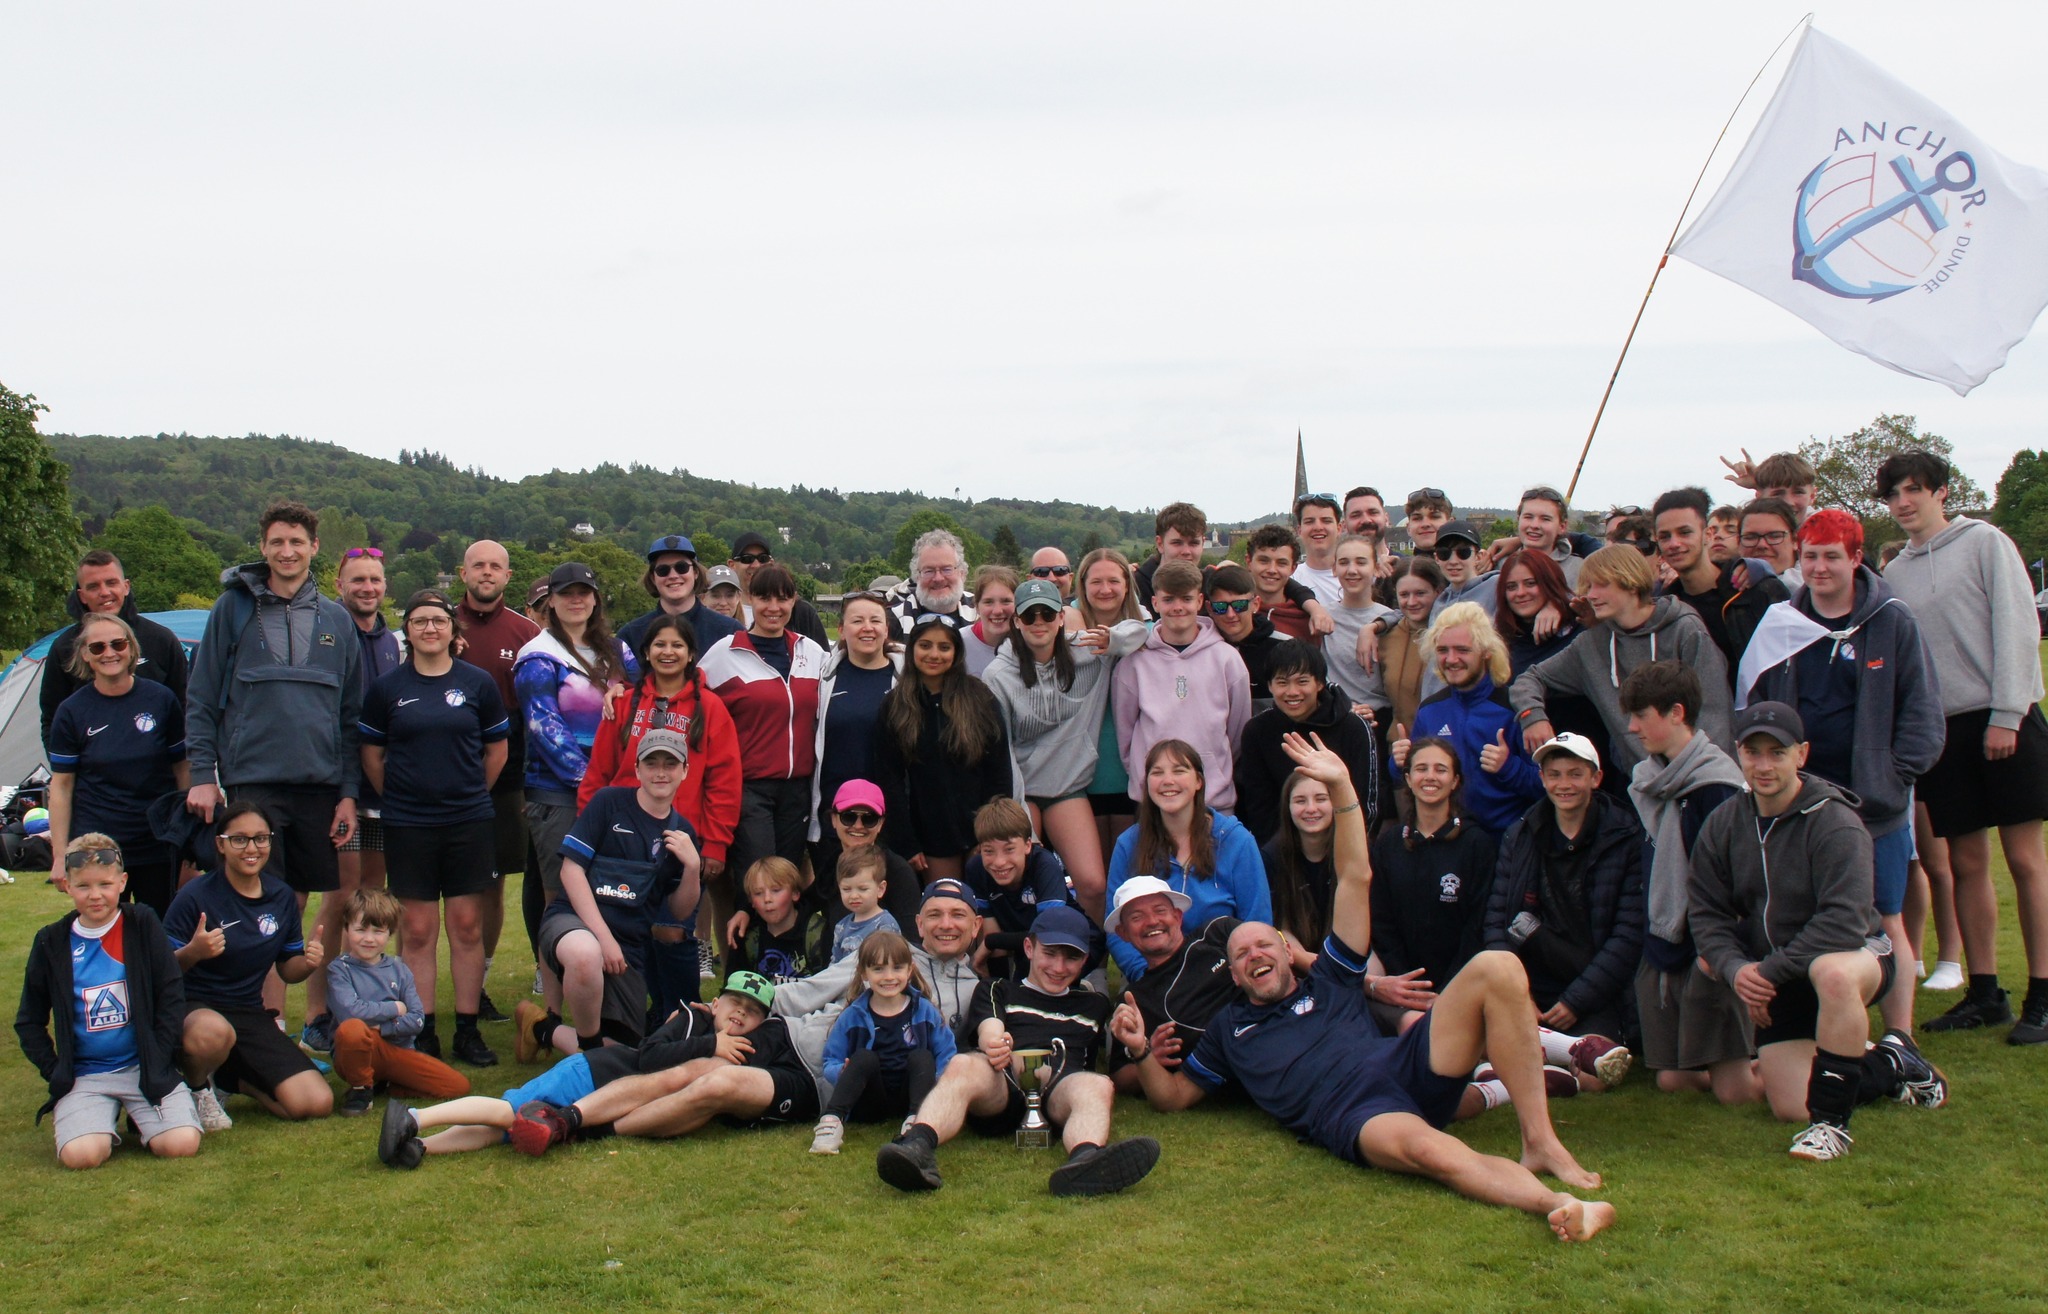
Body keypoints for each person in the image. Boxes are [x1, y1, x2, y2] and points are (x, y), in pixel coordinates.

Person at [1113, 734, 1615, 1242]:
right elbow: (1173, 1097)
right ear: (1235, 976)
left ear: (1288, 951)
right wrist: (1140, 1051)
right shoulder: (1230, 1029)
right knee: (1431, 1152)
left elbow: (1355, 876)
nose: (1254, 955)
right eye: (1241, 956)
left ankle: (1540, 1140)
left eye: (1263, 945)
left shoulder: (1331, 975)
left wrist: (1342, 788)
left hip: (1406, 1066)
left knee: (1499, 965)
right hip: (1353, 1111)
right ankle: (1561, 1204)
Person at [1688, 702, 1947, 1160]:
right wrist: (1737, 971)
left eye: (1777, 752)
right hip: (1779, 973)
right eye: (1753, 752)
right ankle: (1892, 1063)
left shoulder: (1835, 821)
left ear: (1801, 754)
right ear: (1738, 753)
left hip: (1857, 955)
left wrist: (1767, 972)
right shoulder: (1725, 823)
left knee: (1833, 973)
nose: (1764, 765)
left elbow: (1843, 922)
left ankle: (1830, 1127)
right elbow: (1706, 913)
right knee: (1790, 1105)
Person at [1745, 509, 1944, 1035]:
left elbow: (1923, 712)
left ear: (1856, 558)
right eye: (1810, 556)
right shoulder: (1783, 623)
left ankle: (1900, 1038)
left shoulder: (1893, 620)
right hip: (1802, 803)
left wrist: (1892, 777)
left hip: (1874, 807)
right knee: (1807, 917)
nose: (1819, 568)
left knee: (1886, 917)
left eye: (1832, 556)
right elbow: (1755, 701)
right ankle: (1814, 1028)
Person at [1878, 451, 2048, 1045]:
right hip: (1944, 732)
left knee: (2025, 861)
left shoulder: (1985, 543)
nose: (1904, 503)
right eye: (1894, 494)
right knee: (1967, 864)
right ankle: (1985, 992)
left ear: (1941, 492)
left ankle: (2043, 994)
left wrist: (2007, 714)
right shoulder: (1895, 573)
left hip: (2005, 720)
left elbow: (2018, 628)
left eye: (1914, 490)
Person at [183, 502, 362, 1016]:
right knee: (255, 903)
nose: (287, 551)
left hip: (317, 785)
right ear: (263, 547)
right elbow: (201, 698)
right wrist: (202, 775)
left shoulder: (337, 620)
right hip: (252, 782)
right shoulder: (232, 609)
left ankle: (291, 1021)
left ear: (314, 548)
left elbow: (350, 716)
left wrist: (348, 794)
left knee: (295, 904)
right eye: (277, 542)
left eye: (297, 542)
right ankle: (263, 1023)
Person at [875, 904, 1160, 1197]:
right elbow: (990, 1028)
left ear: (1085, 960)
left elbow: (1120, 1059)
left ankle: (1086, 1160)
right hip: (1003, 1085)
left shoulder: (1095, 1004)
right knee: (964, 1064)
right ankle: (917, 1145)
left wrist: (1136, 1040)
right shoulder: (998, 989)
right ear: (1029, 948)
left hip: (1062, 1094)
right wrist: (995, 1043)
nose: (1059, 967)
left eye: (1071, 958)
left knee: (1099, 1084)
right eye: (1050, 953)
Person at [378, 972, 781, 1166]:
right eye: (735, 1003)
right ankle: (413, 1117)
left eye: (752, 1012)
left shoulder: (740, 1053)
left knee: (504, 1132)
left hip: (604, 1098)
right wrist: (710, 1043)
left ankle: (420, 1146)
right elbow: (648, 1057)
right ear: (716, 1003)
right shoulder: (692, 1020)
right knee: (510, 1111)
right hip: (591, 1073)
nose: (740, 1014)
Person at [359, 589, 512, 1067]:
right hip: (409, 824)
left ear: (452, 629)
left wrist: (470, 793)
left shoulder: (477, 683)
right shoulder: (387, 687)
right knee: (418, 930)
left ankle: (467, 1029)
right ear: (407, 630)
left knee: (466, 926)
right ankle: (422, 1030)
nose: (430, 628)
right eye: (420, 620)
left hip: (468, 821)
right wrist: (402, 797)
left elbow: (497, 751)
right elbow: (372, 756)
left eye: (439, 620)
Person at [580, 611, 743, 995]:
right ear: (646, 652)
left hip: (681, 839)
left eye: (677, 645)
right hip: (623, 840)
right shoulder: (623, 704)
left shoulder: (709, 707)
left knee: (672, 930)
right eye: (659, 645)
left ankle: (679, 1012)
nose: (668, 652)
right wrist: (590, 832)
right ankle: (632, 1013)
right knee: (626, 931)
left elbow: (724, 781)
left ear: (691, 654)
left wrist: (716, 844)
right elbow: (599, 773)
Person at [514, 730, 703, 1061]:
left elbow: (679, 911)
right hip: (572, 923)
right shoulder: (608, 802)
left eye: (670, 764)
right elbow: (570, 871)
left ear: (685, 771)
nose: (661, 772)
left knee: (628, 1058)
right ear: (637, 768)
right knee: (585, 954)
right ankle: (589, 1058)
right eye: (652, 763)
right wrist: (603, 939)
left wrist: (692, 867)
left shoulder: (682, 831)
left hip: (628, 950)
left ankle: (540, 1028)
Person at [16, 834, 202, 1169]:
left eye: (105, 884)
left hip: (143, 1067)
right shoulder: (51, 941)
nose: (96, 895)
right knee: (82, 1156)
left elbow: (171, 994)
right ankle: (96, 1114)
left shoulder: (142, 923)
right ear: (67, 886)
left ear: (122, 882)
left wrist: (159, 1057)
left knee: (181, 1144)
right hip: (86, 1075)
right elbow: (28, 1020)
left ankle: (141, 1116)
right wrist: (56, 1071)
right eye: (83, 886)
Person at [1616, 662, 1755, 1102]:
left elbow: (1736, 884)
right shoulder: (1649, 780)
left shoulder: (1718, 786)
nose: (1632, 727)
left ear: (1677, 713)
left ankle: (1815, 1061)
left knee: (1735, 1092)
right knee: (1672, 1080)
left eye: (1642, 715)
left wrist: (1716, 953)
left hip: (1708, 950)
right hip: (1663, 944)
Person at [1483, 734, 1644, 1089]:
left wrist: (1576, 1000)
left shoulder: (1625, 836)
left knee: (1597, 1078)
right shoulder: (1519, 834)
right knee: (1476, 1045)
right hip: (1530, 982)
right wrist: (1518, 993)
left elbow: (1628, 936)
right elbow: (1496, 921)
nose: (1564, 784)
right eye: (1554, 774)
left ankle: (1533, 1065)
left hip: (1593, 987)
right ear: (1542, 779)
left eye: (1575, 774)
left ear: (1596, 778)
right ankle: (1543, 1063)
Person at [513, 561, 637, 1012]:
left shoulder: (619, 652)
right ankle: (551, 1012)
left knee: (612, 896)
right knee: (560, 899)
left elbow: (642, 703)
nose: (576, 600)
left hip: (616, 791)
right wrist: (596, 787)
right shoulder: (537, 656)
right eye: (566, 593)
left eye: (584, 591)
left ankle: (607, 1004)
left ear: (596, 598)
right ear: (551, 601)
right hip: (559, 795)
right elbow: (546, 730)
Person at [984, 578, 1144, 917]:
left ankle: (1094, 950)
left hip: (1066, 788)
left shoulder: (1091, 652)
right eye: (1029, 616)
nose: (1038, 622)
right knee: (1023, 886)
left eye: (1047, 614)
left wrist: (1111, 639)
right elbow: (1003, 751)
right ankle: (1029, 949)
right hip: (1022, 791)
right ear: (1017, 622)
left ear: (1061, 617)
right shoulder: (997, 674)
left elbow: (1140, 631)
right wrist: (1022, 820)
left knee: (1093, 884)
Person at [165, 800, 334, 1122]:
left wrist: (308, 963)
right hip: (194, 1007)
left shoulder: (280, 896)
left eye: (261, 838)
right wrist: (193, 952)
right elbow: (160, 970)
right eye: (239, 839)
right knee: (213, 1032)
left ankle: (230, 1078)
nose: (252, 848)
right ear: (221, 845)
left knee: (316, 1103)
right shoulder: (195, 895)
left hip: (247, 1012)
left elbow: (288, 968)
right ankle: (198, 1088)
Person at [1511, 543, 1733, 779]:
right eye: (1589, 586)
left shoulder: (1685, 630)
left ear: (1631, 582)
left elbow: (1715, 715)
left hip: (1700, 777)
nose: (1591, 595)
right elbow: (1529, 678)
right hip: (1638, 784)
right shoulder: (1591, 643)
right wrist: (1532, 715)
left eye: (1602, 584)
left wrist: (1700, 778)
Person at [698, 563, 827, 953]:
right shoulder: (725, 653)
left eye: (783, 598)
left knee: (786, 883)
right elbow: (688, 697)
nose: (774, 607)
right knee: (757, 882)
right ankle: (743, 970)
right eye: (765, 597)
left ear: (794, 601)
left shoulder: (811, 652)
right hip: (749, 787)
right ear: (750, 600)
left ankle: (783, 965)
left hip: (798, 788)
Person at [310, 547, 401, 1044]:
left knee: (372, 899)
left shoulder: (390, 642)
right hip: (339, 786)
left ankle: (362, 1007)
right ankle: (317, 1013)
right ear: (339, 584)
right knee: (340, 899)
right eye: (357, 580)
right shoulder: (327, 630)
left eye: (375, 580)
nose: (367, 587)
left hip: (379, 790)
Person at [45, 613, 189, 915]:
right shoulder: (72, 711)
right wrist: (60, 856)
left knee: (159, 932)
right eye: (97, 647)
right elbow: (61, 786)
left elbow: (182, 770)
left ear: (132, 648)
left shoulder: (162, 700)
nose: (109, 653)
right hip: (98, 847)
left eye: (117, 644)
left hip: (156, 843)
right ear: (85, 655)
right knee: (105, 932)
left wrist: (188, 843)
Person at [456, 539, 542, 1022]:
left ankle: (481, 981)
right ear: (463, 573)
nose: (486, 573)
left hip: (508, 775)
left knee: (492, 880)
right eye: (478, 565)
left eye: (495, 566)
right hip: (447, 767)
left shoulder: (527, 633)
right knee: (434, 889)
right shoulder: (440, 623)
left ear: (508, 576)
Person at [1105, 739, 1270, 980]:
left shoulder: (1237, 841)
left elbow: (1257, 921)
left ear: (1198, 781)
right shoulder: (1128, 844)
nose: (1168, 780)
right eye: (1157, 773)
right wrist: (1147, 976)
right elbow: (1116, 928)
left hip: (1226, 977)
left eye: (1179, 771)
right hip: (1154, 975)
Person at [873, 614, 1017, 882]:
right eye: (925, 645)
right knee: (947, 899)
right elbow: (888, 780)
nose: (934, 654)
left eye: (944, 647)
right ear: (912, 649)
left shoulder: (980, 698)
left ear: (956, 652)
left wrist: (993, 833)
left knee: (983, 901)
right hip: (932, 836)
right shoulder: (895, 705)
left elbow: (999, 772)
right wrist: (906, 841)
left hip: (982, 832)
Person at [1368, 739, 1498, 1027]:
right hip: (1403, 986)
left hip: (1463, 983)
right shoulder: (1389, 844)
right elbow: (1381, 920)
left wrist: (1450, 988)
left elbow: (1479, 924)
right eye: (1421, 769)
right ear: (1408, 779)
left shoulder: (1477, 844)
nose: (1430, 777)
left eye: (1440, 769)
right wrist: (1408, 984)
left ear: (1455, 781)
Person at [1389, 602, 1542, 837]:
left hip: (1505, 841)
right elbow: (1408, 780)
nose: (1451, 659)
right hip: (1448, 841)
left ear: (1486, 651)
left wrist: (1509, 767)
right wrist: (1399, 763)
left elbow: (1546, 784)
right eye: (1443, 650)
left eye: (1462, 650)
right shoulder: (1430, 709)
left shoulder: (1514, 708)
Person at [1114, 560, 1252, 814]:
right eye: (1168, 599)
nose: (1177, 607)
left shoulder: (1227, 659)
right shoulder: (1134, 662)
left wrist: (1216, 768)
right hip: (1154, 802)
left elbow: (1237, 732)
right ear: (1155, 603)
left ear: (1199, 601)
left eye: (1186, 599)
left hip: (1214, 801)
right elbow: (1125, 735)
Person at [809, 930, 958, 1154]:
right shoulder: (853, 1015)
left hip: (913, 1096)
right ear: (864, 973)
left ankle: (915, 1124)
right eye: (878, 969)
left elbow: (947, 1054)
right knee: (863, 1057)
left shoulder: (925, 1010)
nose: (889, 977)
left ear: (909, 970)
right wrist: (842, 1072)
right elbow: (831, 1059)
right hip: (870, 1100)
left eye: (897, 968)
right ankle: (831, 1123)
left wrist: (937, 1083)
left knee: (922, 1056)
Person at [326, 887, 470, 1117]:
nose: (369, 938)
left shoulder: (399, 970)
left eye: (378, 931)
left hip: (397, 1050)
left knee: (457, 1086)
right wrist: (394, 1008)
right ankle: (361, 1088)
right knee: (352, 1029)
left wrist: (381, 1027)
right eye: (361, 929)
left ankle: (389, 1084)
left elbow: (417, 1019)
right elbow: (351, 1012)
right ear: (346, 928)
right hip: (357, 1051)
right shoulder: (339, 970)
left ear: (390, 933)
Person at [38, 549, 188, 750]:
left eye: (111, 583)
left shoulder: (161, 640)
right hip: (90, 768)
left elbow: (186, 707)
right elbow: (52, 720)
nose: (104, 592)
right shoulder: (64, 648)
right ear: (82, 595)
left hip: (157, 767)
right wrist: (64, 765)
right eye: (93, 586)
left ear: (126, 586)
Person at [1235, 639, 1382, 844]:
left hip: (1345, 844)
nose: (1292, 692)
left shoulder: (1354, 727)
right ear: (1269, 685)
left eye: (1302, 681)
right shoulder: (1257, 731)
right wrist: (1281, 855)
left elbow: (1367, 802)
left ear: (1320, 683)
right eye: (1282, 682)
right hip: (1281, 849)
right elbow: (1260, 809)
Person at [1495, 548, 1611, 793]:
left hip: (1594, 762)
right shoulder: (1504, 643)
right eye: (1511, 587)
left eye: (1531, 583)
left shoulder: (1580, 629)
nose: (1520, 593)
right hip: (1533, 769)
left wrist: (1562, 605)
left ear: (1549, 583)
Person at [808, 590, 901, 888]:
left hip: (888, 818)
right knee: (838, 900)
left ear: (886, 629)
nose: (867, 628)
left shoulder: (906, 679)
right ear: (842, 629)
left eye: (875, 620)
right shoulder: (823, 678)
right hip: (835, 817)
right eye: (857, 620)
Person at [1653, 486, 1787, 673]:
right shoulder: (1664, 610)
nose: (1674, 543)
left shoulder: (1755, 590)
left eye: (1684, 532)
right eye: (1665, 536)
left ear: (1707, 535)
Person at [961, 797, 1085, 979]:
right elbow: (991, 930)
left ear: (1028, 845)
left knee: (1035, 973)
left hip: (1063, 944)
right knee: (1008, 983)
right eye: (989, 851)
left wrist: (991, 942)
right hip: (1025, 943)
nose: (999, 862)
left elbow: (1048, 934)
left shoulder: (1044, 865)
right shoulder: (976, 868)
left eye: (1009, 849)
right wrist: (996, 983)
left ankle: (1080, 985)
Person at [617, 533, 744, 669]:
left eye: (681, 567)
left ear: (695, 572)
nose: (673, 575)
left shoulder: (730, 631)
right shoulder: (630, 636)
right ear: (653, 578)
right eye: (663, 570)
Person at [1322, 534, 1399, 720]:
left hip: (1382, 718)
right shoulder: (1322, 618)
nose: (1352, 570)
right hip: (1337, 717)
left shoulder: (1390, 619)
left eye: (1361, 562)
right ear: (1334, 569)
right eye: (1344, 562)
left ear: (1376, 568)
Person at [729, 856, 832, 983]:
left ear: (795, 893)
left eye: (776, 890)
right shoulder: (748, 937)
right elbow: (733, 988)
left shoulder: (819, 933)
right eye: (758, 893)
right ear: (751, 902)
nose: (767, 899)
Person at [1202, 564, 1288, 710]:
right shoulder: (1200, 649)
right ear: (1209, 608)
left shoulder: (1284, 648)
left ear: (1255, 604)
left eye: (1239, 605)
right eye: (1221, 607)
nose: (1230, 614)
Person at [1380, 557, 1446, 736]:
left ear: (1438, 592)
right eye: (1404, 595)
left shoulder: (1448, 638)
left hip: (1441, 743)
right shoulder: (1386, 638)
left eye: (1420, 593)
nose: (1411, 602)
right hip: (1398, 743)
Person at [728, 532, 831, 647]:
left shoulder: (802, 613)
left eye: (763, 558)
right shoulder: (722, 609)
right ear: (732, 565)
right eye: (747, 559)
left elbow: (823, 656)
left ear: (771, 563)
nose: (756, 565)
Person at [881, 528, 980, 633]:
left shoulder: (981, 613)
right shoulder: (892, 620)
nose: (938, 578)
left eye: (946, 569)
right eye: (929, 571)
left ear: (962, 573)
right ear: (917, 577)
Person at [1133, 502, 1209, 613]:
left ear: (1203, 543)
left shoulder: (1213, 587)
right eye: (1177, 543)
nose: (1186, 552)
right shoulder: (1134, 588)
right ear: (1160, 544)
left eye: (1194, 543)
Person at [829, 846, 900, 962]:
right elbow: (835, 964)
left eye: (862, 889)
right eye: (846, 889)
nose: (854, 896)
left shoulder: (885, 925)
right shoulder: (841, 927)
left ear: (880, 889)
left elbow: (893, 962)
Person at [1244, 524, 1314, 640]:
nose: (1272, 570)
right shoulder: (1233, 612)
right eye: (1264, 561)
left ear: (1293, 568)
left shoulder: (1306, 622)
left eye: (1281, 563)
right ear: (1249, 562)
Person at [1718, 448, 1819, 523]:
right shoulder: (1750, 536)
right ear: (1759, 498)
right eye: (1777, 494)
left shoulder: (1823, 532)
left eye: (1798, 492)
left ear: (1812, 496)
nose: (1789, 502)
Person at [1424, 519, 1499, 620]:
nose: (1453, 561)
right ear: (1436, 558)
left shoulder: (1497, 586)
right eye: (1444, 553)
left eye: (1463, 552)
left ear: (1478, 557)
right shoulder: (1439, 603)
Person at [1515, 486, 1584, 586]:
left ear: (1562, 526)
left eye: (1545, 519)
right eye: (1528, 517)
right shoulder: (1499, 564)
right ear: (1518, 520)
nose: (1535, 525)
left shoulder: (1579, 570)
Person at [1291, 491, 1349, 607]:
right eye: (1309, 522)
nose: (1318, 527)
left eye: (1326, 521)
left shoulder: (1358, 576)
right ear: (1299, 530)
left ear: (1339, 528)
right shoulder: (1289, 579)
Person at [960, 565, 1017, 678]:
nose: (997, 611)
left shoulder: (1030, 644)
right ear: (977, 606)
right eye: (988, 602)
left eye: (1006, 601)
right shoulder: (959, 643)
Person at [1738, 497, 1803, 590]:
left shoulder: (1815, 589)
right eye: (1751, 537)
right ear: (1738, 542)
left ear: (1794, 540)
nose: (1762, 545)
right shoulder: (1724, 588)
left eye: (1774, 536)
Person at [1402, 487, 1455, 555]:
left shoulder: (1465, 561)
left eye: (1434, 517)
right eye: (1417, 518)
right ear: (1408, 528)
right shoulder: (1397, 561)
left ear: (1450, 524)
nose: (1425, 524)